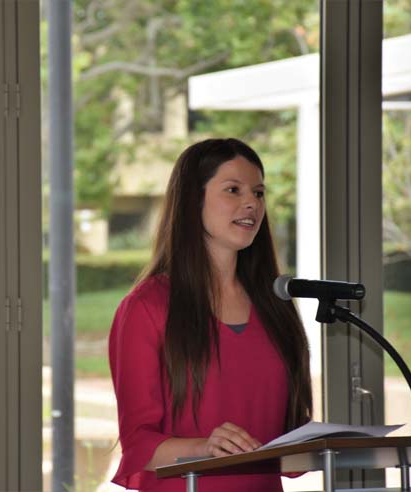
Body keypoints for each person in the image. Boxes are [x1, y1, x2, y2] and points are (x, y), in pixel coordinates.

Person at [108, 138, 313, 491]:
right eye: (233, 190)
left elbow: (285, 443)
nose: (252, 203)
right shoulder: (146, 307)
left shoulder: (276, 303)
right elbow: (139, 444)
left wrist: (317, 443)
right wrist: (204, 447)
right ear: (193, 200)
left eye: (259, 193)